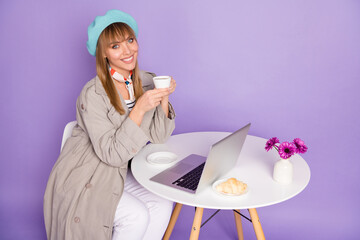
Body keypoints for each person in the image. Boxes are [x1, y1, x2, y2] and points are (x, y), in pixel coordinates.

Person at [44, 9, 176, 240]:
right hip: (89, 172)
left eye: (130, 40)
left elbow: (159, 136)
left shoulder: (146, 80)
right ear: (103, 53)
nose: (127, 50)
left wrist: (163, 96)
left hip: (122, 171)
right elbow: (111, 155)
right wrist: (140, 108)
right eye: (115, 46)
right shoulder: (92, 93)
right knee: (136, 216)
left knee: (163, 203)